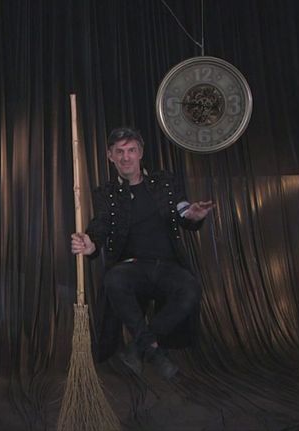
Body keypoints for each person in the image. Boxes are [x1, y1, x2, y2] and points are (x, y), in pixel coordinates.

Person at [71, 126, 213, 379]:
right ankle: (154, 352)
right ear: (110, 156)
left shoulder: (164, 182)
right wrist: (90, 243)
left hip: (167, 266)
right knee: (113, 279)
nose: (126, 157)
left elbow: (182, 210)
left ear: (140, 153)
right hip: (130, 267)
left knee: (190, 288)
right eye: (119, 151)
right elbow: (100, 224)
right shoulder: (107, 193)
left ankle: (140, 347)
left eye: (131, 150)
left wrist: (193, 215)